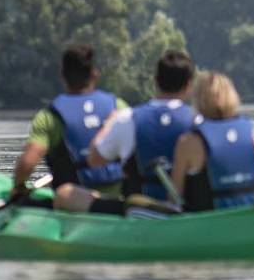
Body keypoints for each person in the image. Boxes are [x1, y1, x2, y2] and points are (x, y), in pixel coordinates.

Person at [8, 44, 134, 214]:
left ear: (62, 76)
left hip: (72, 202)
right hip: (120, 200)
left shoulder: (49, 116)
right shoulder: (118, 106)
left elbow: (28, 162)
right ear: (94, 74)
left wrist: (19, 187)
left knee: (29, 201)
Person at [85, 49, 199, 204]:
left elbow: (94, 159)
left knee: (67, 195)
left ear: (155, 81)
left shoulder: (126, 118)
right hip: (188, 215)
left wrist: (110, 122)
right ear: (189, 86)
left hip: (139, 215)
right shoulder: (199, 120)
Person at [169, 71, 254, 212]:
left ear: (198, 99)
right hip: (249, 221)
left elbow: (174, 197)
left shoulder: (188, 141)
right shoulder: (251, 137)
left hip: (207, 224)